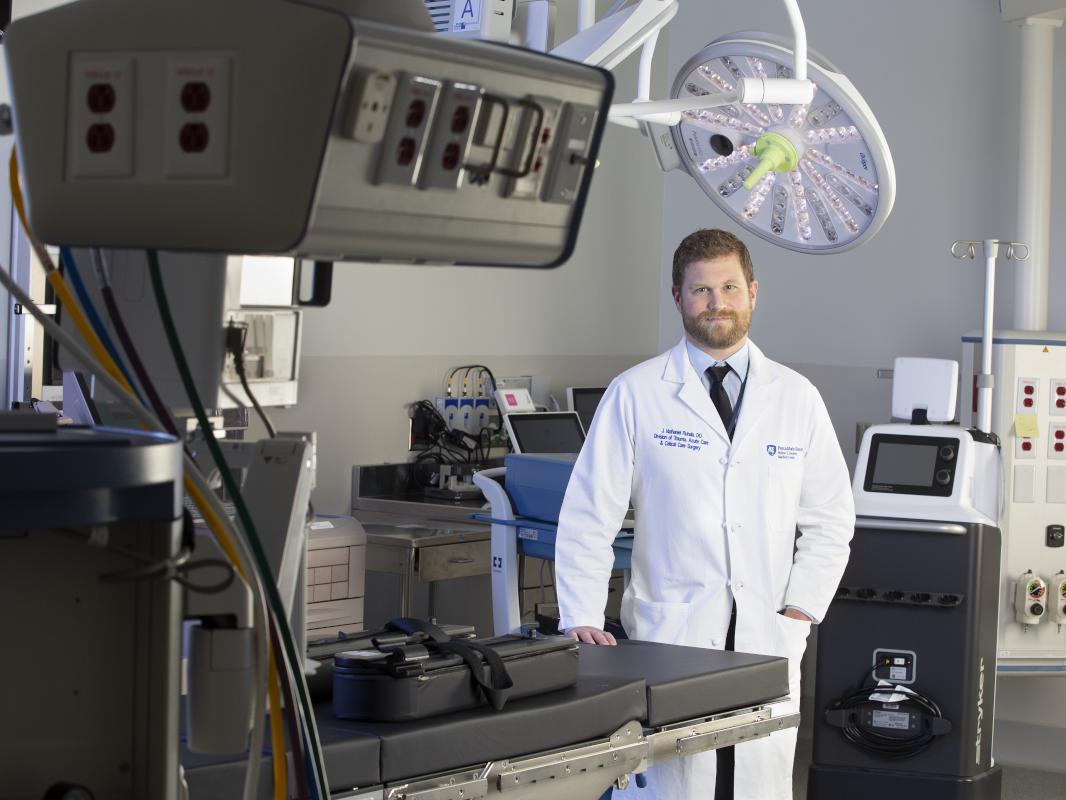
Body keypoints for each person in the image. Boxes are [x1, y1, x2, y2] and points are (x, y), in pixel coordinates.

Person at [554, 228, 854, 800]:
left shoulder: (796, 397)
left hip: (769, 624)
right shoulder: (636, 393)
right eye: (700, 291)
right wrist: (581, 612)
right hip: (675, 627)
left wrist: (801, 606)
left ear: (753, 292)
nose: (717, 302)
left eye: (729, 287)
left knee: (756, 777)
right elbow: (589, 513)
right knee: (673, 779)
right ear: (677, 298)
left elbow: (831, 518)